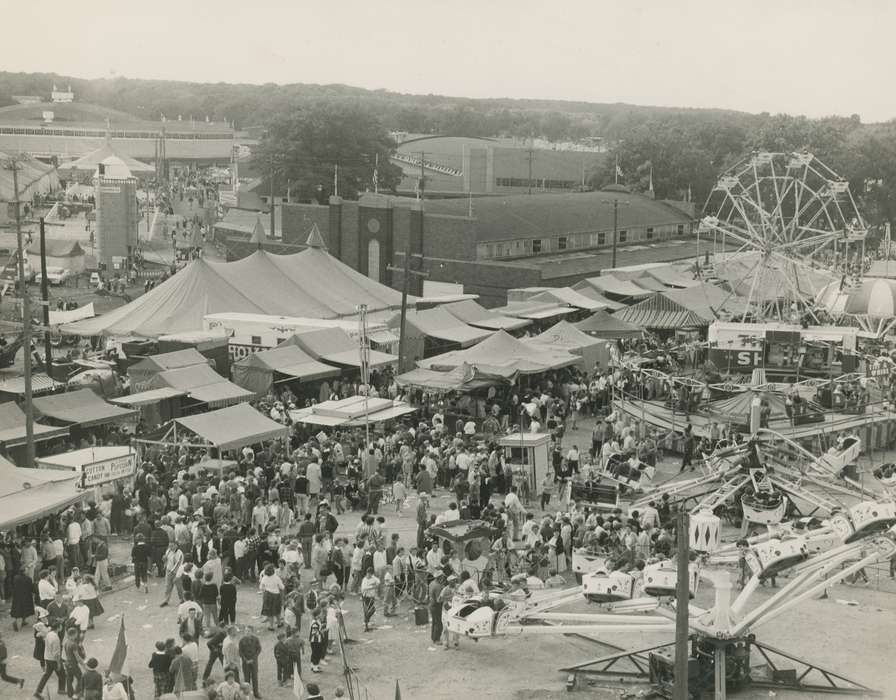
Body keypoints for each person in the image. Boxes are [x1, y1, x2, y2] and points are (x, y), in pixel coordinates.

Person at [34, 621, 66, 697]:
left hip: (47, 657)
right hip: (53, 659)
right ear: (58, 628)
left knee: (46, 675)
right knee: (62, 675)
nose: (62, 627)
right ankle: (61, 690)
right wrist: (59, 663)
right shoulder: (56, 638)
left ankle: (38, 691)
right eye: (61, 626)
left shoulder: (49, 634)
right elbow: (56, 654)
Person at [238, 625, 262, 699]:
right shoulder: (241, 640)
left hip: (254, 662)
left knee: (255, 678)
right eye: (246, 631)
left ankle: (256, 693)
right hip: (246, 662)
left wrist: (254, 658)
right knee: (247, 678)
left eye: (249, 631)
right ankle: (247, 694)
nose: (247, 632)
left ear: (252, 632)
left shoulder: (256, 639)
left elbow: (259, 649)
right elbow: (240, 651)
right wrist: (245, 660)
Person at [428, 571, 445, 646]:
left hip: (431, 605)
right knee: (439, 623)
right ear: (440, 578)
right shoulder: (438, 586)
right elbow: (438, 600)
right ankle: (436, 639)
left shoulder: (432, 583)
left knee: (434, 622)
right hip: (436, 606)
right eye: (442, 577)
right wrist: (446, 598)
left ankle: (433, 637)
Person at [360, 567, 379, 632]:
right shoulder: (364, 580)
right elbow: (364, 588)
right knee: (371, 609)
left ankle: (366, 622)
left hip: (372, 597)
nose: (369, 575)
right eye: (368, 574)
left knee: (370, 610)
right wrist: (372, 586)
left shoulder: (373, 578)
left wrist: (376, 584)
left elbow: (378, 581)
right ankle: (366, 621)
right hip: (366, 597)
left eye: (370, 574)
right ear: (366, 573)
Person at [308, 609, 326, 673]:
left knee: (315, 653)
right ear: (317, 615)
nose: (321, 615)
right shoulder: (314, 623)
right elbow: (315, 633)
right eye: (320, 614)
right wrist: (323, 631)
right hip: (316, 641)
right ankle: (315, 667)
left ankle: (313, 665)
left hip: (316, 640)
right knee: (317, 653)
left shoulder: (317, 621)